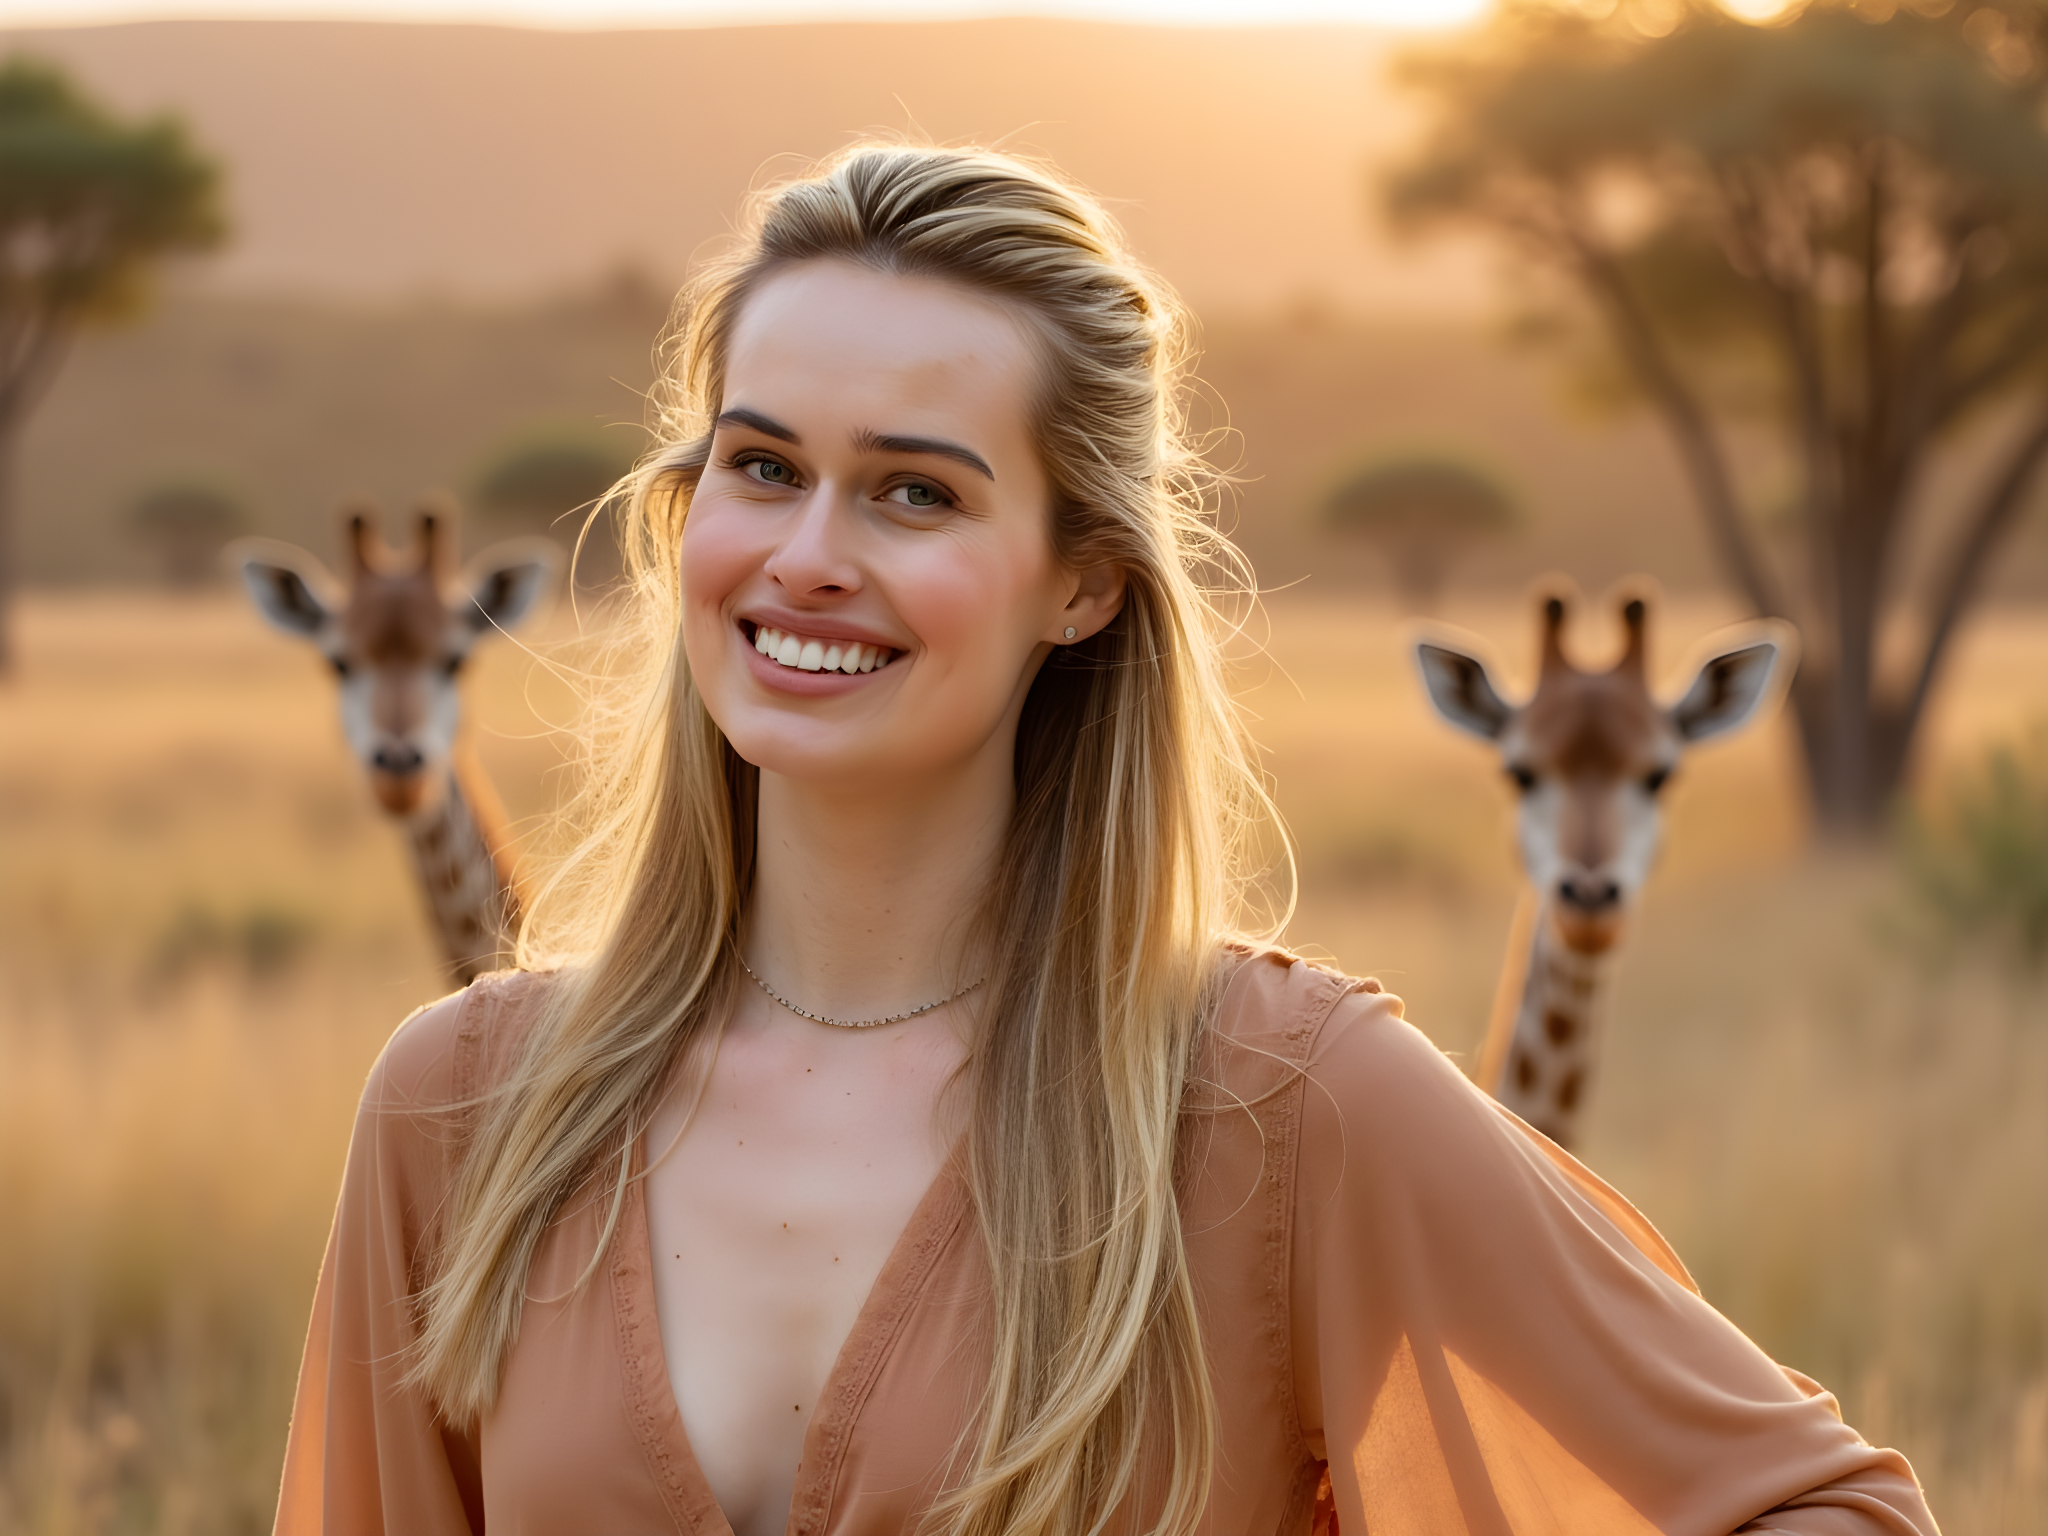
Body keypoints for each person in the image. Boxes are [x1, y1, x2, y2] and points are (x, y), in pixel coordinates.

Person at [273, 143, 1938, 1536]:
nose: (808, 556)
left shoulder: (1280, 1105)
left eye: (915, 492)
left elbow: (1826, 1510)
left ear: (1081, 582)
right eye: (760, 466)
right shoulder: (462, 1109)